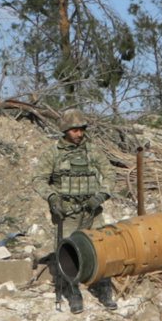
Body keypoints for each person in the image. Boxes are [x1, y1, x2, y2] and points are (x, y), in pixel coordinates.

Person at [42, 116, 112, 306]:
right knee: (67, 251)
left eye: (82, 129)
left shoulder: (92, 151)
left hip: (92, 210)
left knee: (103, 247)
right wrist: (52, 198)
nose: (79, 134)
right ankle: (73, 293)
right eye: (75, 130)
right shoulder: (53, 154)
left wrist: (102, 195)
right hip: (67, 212)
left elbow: (110, 174)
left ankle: (104, 290)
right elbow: (38, 179)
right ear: (65, 130)